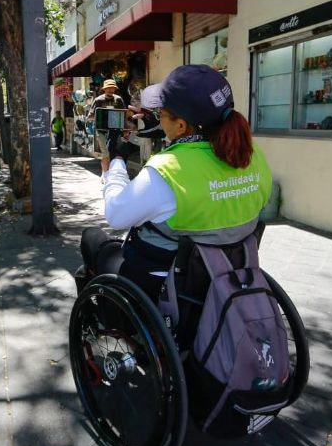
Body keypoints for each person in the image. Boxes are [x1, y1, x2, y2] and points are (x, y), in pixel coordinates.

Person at [79, 64, 273, 302]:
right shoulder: (254, 157)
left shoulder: (168, 170)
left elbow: (116, 215)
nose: (158, 117)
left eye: (160, 112)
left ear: (181, 125)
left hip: (167, 286)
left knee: (92, 238)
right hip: (229, 275)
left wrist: (117, 161)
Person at [87, 79, 125, 165]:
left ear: (115, 89)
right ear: (104, 89)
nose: (110, 90)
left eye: (112, 88)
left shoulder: (118, 99)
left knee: (114, 152)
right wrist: (101, 114)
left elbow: (123, 114)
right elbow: (90, 117)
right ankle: (105, 173)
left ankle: (111, 172)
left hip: (115, 129)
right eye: (108, 88)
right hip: (101, 130)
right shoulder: (98, 100)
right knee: (105, 153)